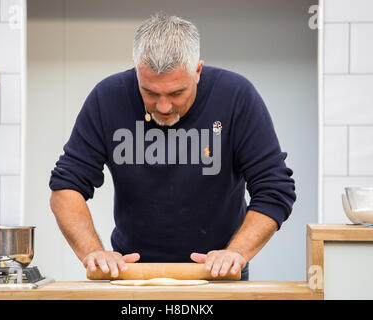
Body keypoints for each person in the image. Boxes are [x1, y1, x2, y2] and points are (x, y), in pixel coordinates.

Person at [49, 12, 296, 281]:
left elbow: (274, 188)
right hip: (132, 274)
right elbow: (66, 187)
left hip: (218, 273)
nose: (163, 107)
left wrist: (236, 252)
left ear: (198, 71)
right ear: (136, 70)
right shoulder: (107, 98)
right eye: (150, 93)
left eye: (177, 93)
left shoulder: (236, 97)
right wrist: (93, 252)